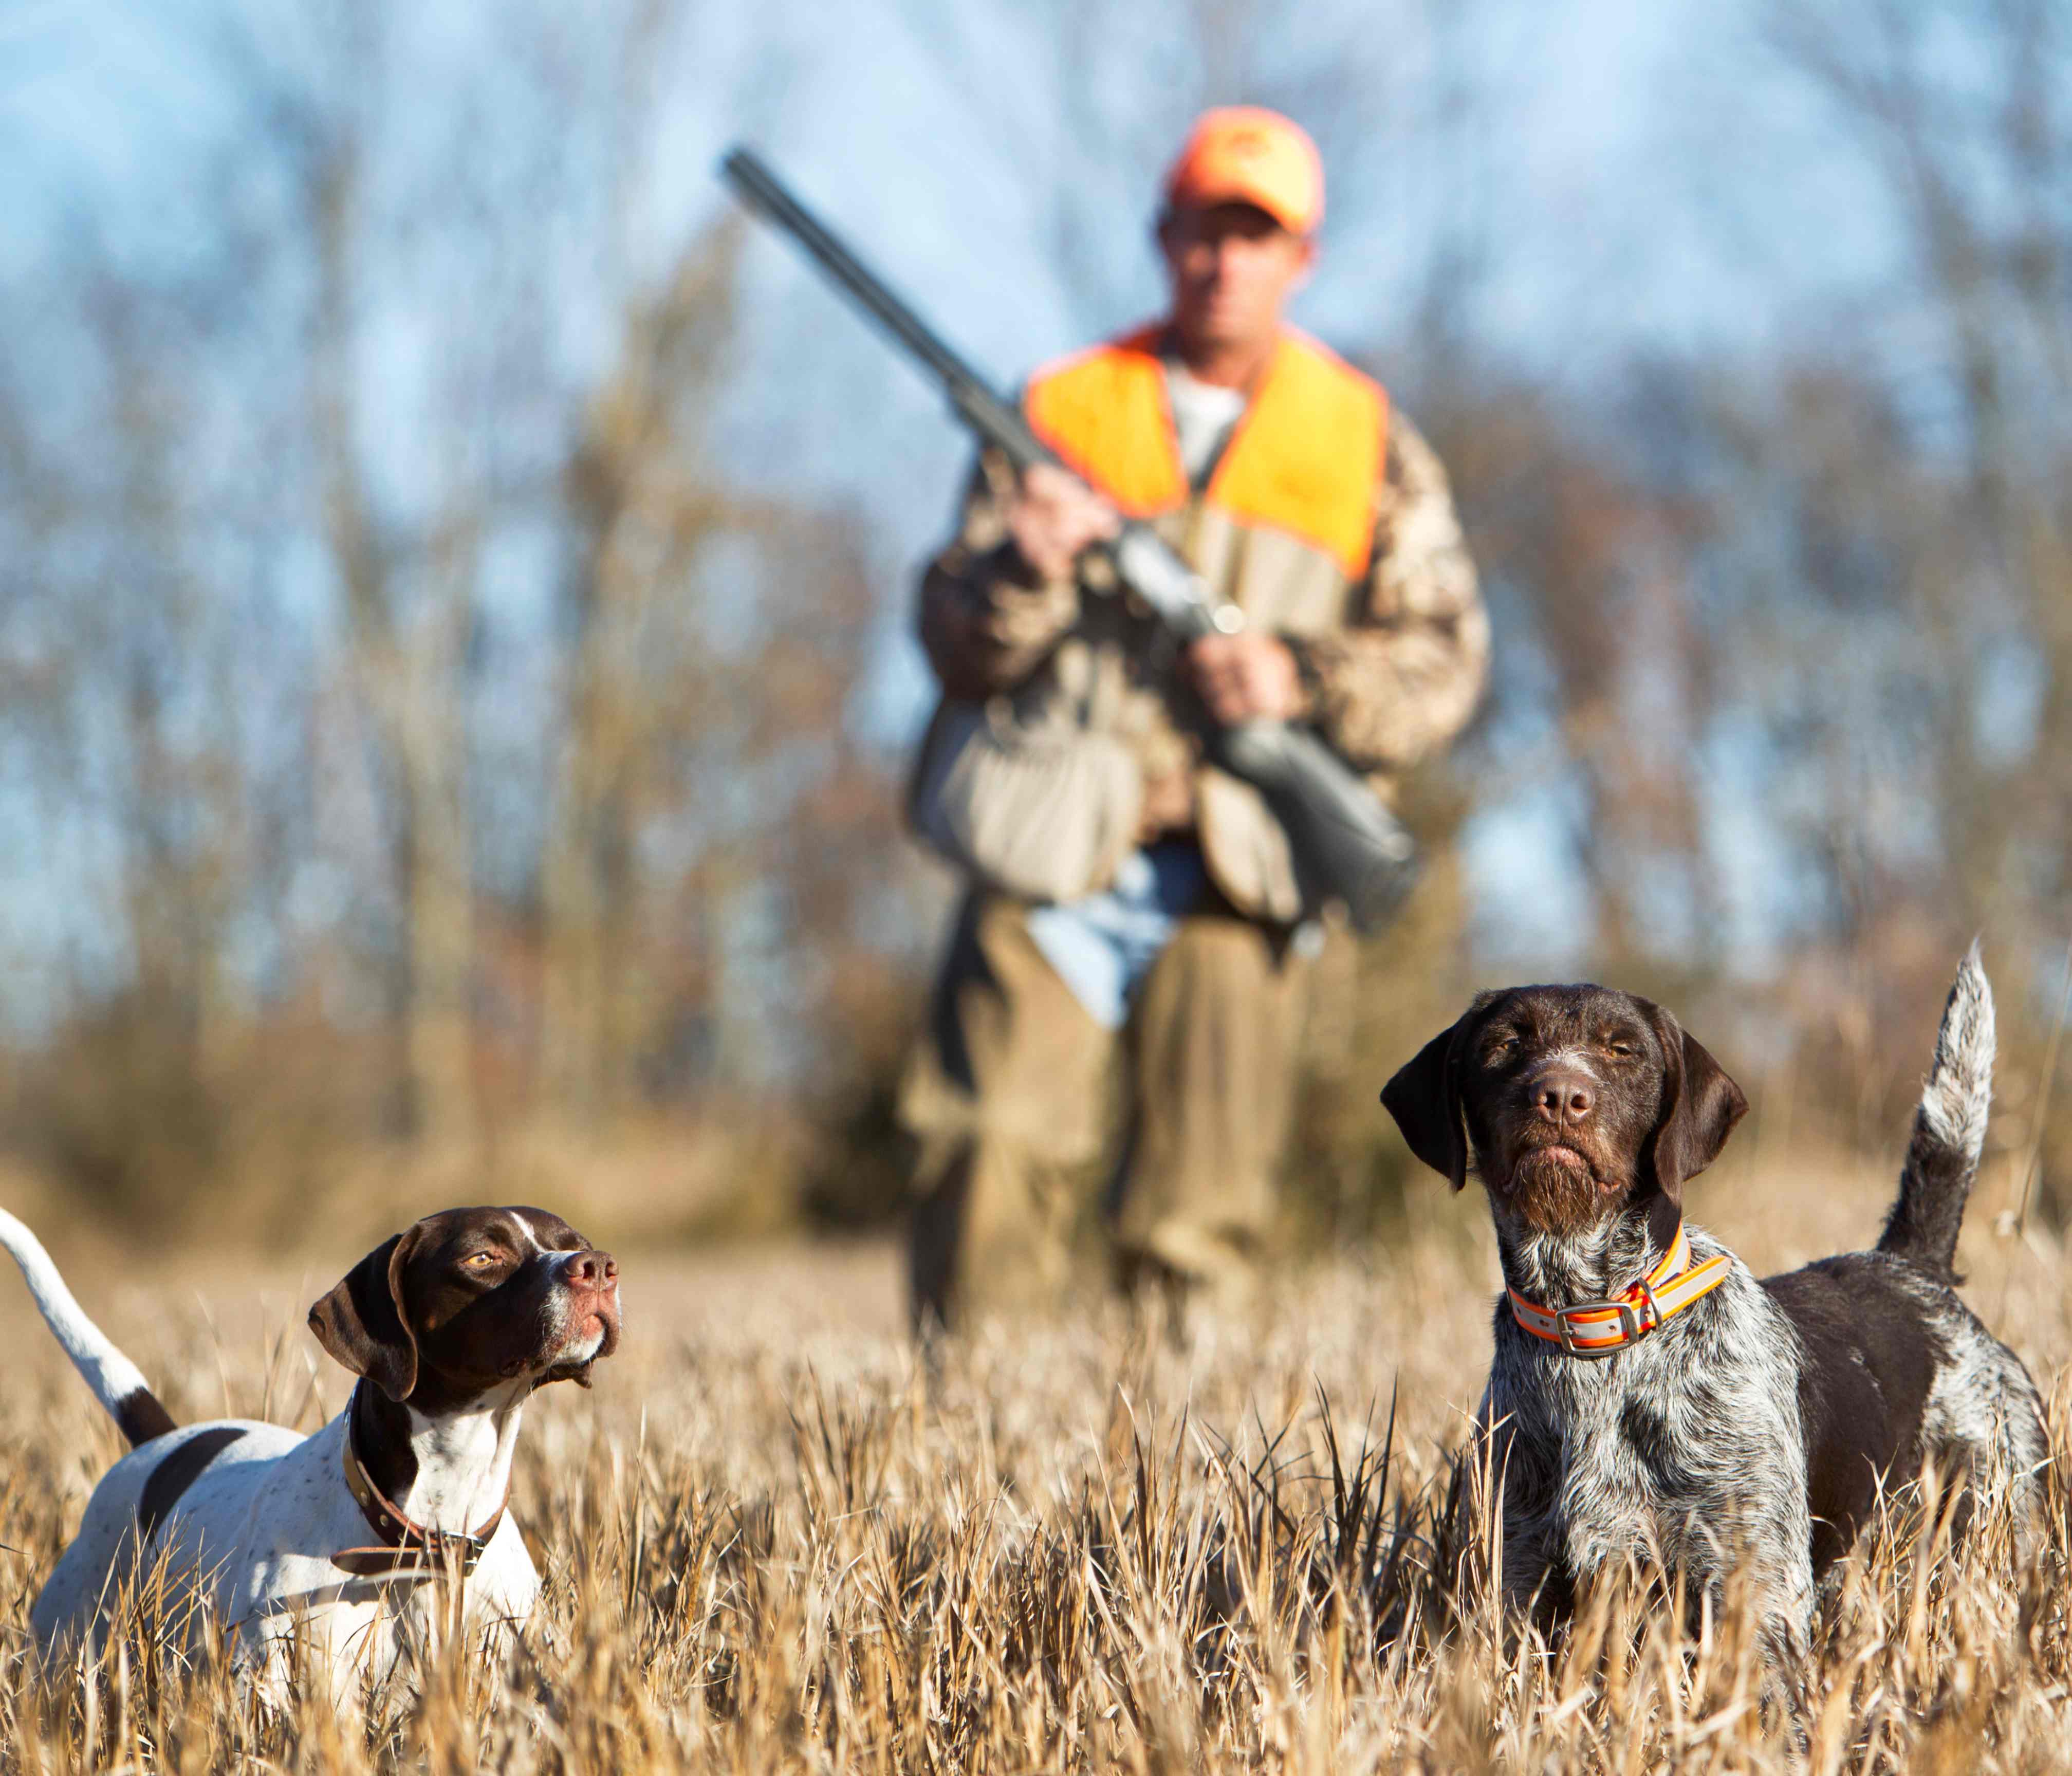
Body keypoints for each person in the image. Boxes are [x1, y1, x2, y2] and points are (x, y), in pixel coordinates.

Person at [900, 107, 1490, 1331]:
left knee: (1198, 1222)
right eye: (1202, 232)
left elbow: (1446, 661)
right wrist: (1021, 564)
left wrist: (1302, 679)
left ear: (1301, 259)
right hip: (1053, 840)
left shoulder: (1365, 437)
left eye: (1255, 235)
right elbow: (952, 645)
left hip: (1242, 860)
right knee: (986, 1157)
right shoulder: (1059, 406)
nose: (1224, 261)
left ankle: (1163, 1481)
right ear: (1161, 238)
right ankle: (971, 1438)